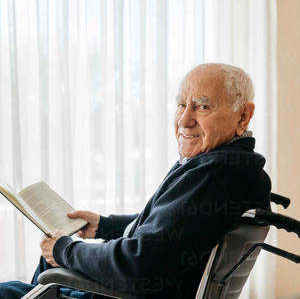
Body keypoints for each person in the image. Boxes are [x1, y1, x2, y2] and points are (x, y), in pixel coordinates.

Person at [0, 63, 271, 299]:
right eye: (181, 105)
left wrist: (66, 250)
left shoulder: (217, 174)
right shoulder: (226, 166)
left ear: (243, 115)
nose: (184, 121)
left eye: (202, 106)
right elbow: (170, 229)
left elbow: (141, 264)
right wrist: (105, 225)